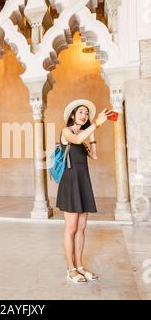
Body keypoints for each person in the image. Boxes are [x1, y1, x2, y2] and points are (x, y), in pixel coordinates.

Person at [56, 99, 114, 284]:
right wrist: (96, 123)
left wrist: (93, 133)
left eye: (86, 113)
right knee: (71, 228)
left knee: (82, 228)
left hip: (83, 182)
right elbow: (77, 139)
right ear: (73, 115)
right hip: (71, 182)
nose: (84, 115)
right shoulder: (67, 132)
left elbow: (94, 155)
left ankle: (80, 266)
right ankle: (71, 269)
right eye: (81, 112)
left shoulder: (83, 135)